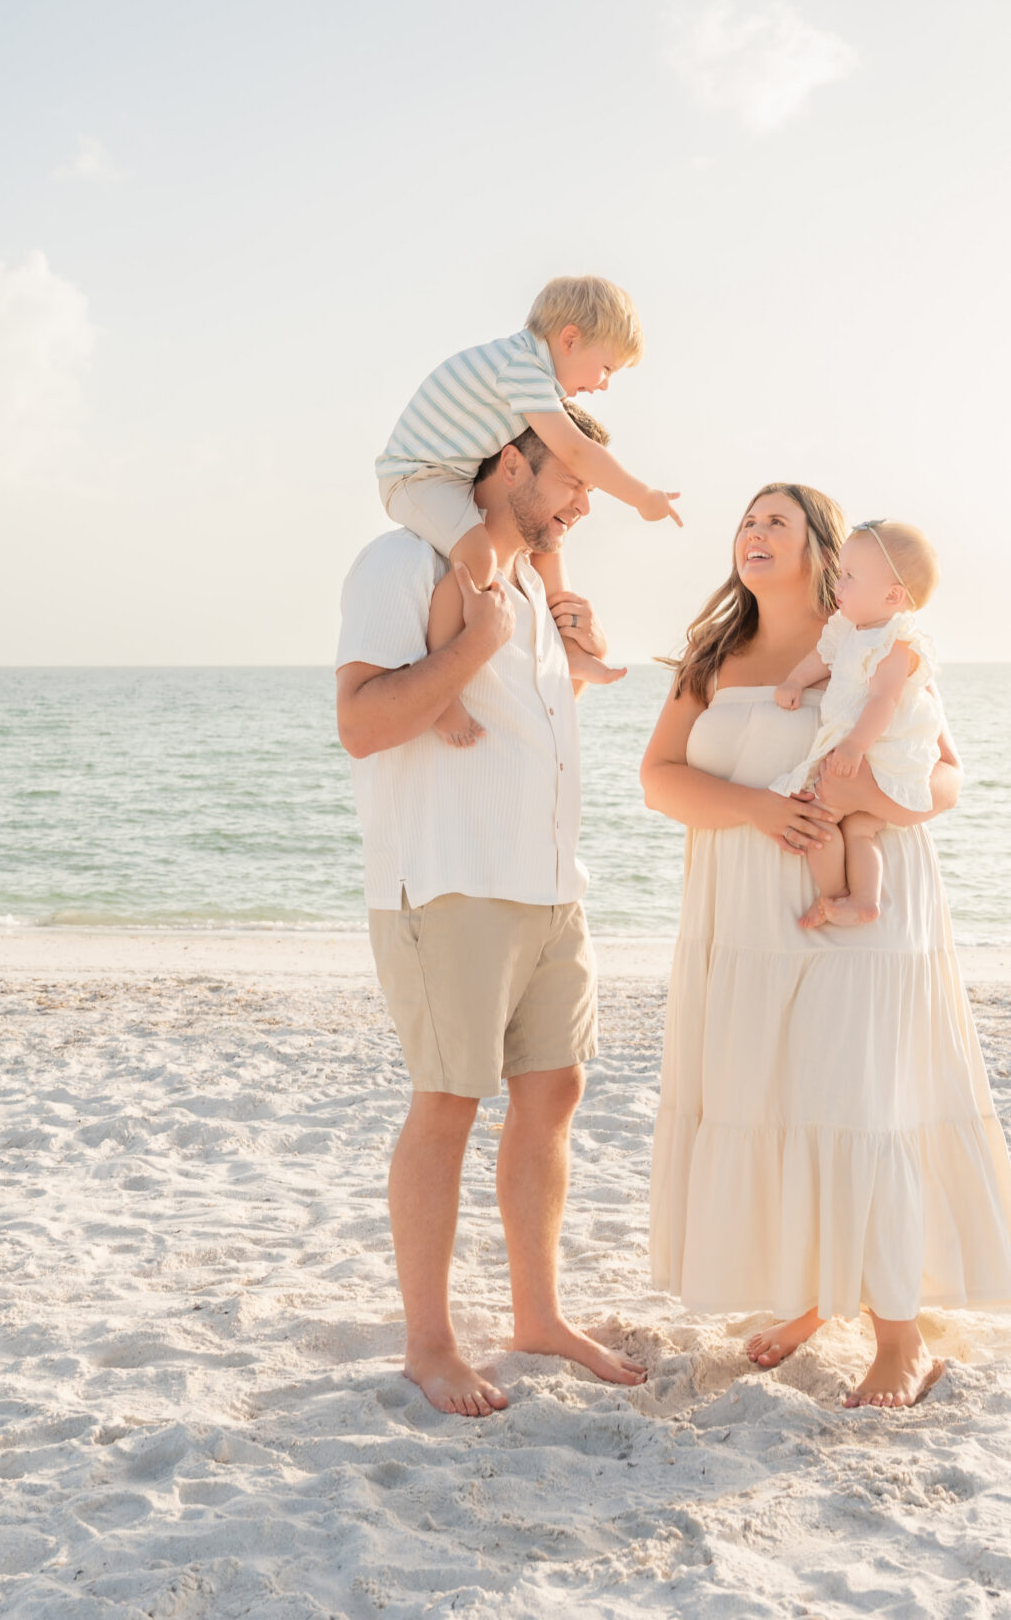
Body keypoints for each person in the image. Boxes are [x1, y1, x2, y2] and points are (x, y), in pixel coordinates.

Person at [640, 485, 1011, 1409]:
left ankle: (900, 1339)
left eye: (777, 520)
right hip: (746, 916)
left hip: (863, 909)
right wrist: (761, 810)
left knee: (859, 1103)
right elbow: (660, 779)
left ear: (825, 550)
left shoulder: (870, 644)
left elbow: (945, 777)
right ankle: (816, 1298)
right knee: (780, 1096)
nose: (754, 533)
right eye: (746, 520)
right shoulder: (714, 656)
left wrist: (860, 807)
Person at [334, 410, 647, 1418]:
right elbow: (363, 723)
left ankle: (536, 1316)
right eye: (572, 480)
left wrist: (576, 669)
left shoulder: (524, 589)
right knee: (449, 1101)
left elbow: (517, 730)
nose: (584, 503)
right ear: (510, 463)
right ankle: (429, 1345)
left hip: (551, 887)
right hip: (450, 880)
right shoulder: (404, 562)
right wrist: (474, 647)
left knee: (553, 1093)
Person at [376, 275, 682, 745]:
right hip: (416, 476)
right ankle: (440, 693)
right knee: (476, 556)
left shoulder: (531, 374)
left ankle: (568, 651)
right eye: (606, 368)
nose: (604, 384)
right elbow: (575, 452)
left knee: (547, 543)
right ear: (570, 339)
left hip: (451, 471)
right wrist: (642, 497)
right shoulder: (521, 368)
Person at [771, 519, 945, 928]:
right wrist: (796, 679)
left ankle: (834, 897)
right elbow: (822, 658)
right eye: (840, 573)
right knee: (860, 831)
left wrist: (854, 746)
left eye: (850, 576)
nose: (839, 583)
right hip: (860, 745)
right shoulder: (848, 629)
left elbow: (884, 700)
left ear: (892, 595)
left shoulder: (896, 641)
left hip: (879, 749)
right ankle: (862, 902)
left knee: (819, 821)